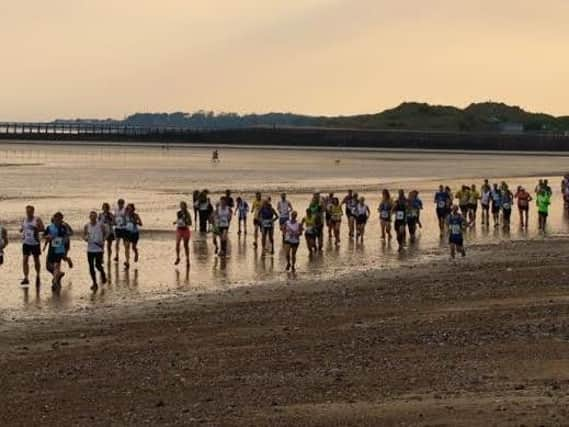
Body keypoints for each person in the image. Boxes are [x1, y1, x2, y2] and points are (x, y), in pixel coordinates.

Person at [44, 212, 69, 291]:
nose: (58, 220)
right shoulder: (49, 227)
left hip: (59, 247)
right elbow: (44, 235)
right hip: (51, 248)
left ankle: (55, 281)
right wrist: (48, 237)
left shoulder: (63, 227)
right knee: (48, 266)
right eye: (56, 218)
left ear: (61, 219)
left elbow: (67, 236)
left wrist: (64, 244)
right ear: (54, 218)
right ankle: (58, 275)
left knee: (56, 265)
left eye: (60, 219)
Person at [21, 205, 45, 287]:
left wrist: (36, 229)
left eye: (30, 212)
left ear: (33, 211)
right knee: (24, 260)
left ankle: (38, 275)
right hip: (26, 243)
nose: (28, 213)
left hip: (35, 243)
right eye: (27, 212)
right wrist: (22, 231)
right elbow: (22, 228)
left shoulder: (37, 219)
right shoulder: (24, 219)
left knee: (36, 260)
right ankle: (26, 278)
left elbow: (43, 229)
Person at [84, 211, 108, 291]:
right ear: (89, 217)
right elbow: (84, 235)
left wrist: (103, 240)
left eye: (94, 216)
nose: (92, 218)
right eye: (91, 216)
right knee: (91, 266)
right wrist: (85, 238)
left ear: (96, 217)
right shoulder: (87, 225)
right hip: (90, 249)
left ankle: (103, 274)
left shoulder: (100, 225)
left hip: (98, 249)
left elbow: (106, 233)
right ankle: (94, 283)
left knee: (98, 265)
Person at [124, 203, 142, 269]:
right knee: (126, 246)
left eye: (130, 208)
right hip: (127, 232)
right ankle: (127, 261)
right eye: (128, 208)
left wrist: (135, 222)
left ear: (133, 209)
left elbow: (141, 224)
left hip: (134, 233)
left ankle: (136, 253)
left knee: (133, 247)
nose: (129, 209)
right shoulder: (125, 215)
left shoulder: (136, 215)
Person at [174, 201, 192, 266]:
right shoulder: (178, 213)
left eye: (183, 206)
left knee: (185, 245)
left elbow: (190, 223)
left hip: (185, 230)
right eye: (181, 206)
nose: (181, 207)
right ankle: (178, 257)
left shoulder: (188, 214)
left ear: (185, 206)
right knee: (177, 243)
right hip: (179, 229)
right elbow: (179, 220)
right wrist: (176, 222)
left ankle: (187, 259)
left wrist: (186, 222)